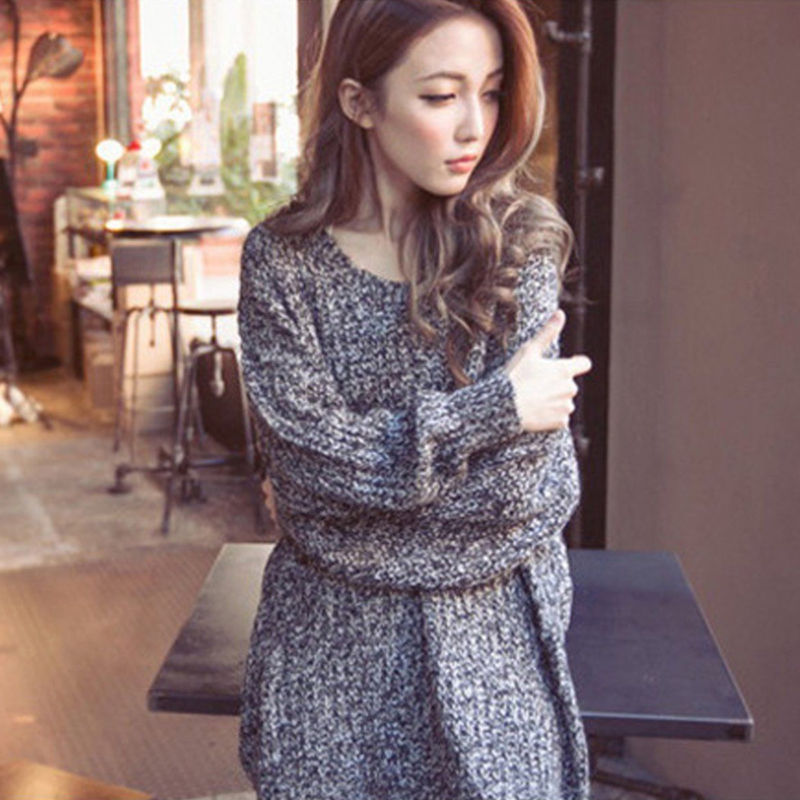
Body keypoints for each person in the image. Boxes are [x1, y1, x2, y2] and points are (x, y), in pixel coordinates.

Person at [236, 0, 594, 798]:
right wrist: (492, 410)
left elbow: (519, 495)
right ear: (360, 102)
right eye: (440, 96)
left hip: (490, 661)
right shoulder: (283, 262)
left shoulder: (520, 244)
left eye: (491, 92)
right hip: (329, 667)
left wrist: (348, 516)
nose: (476, 127)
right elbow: (308, 473)